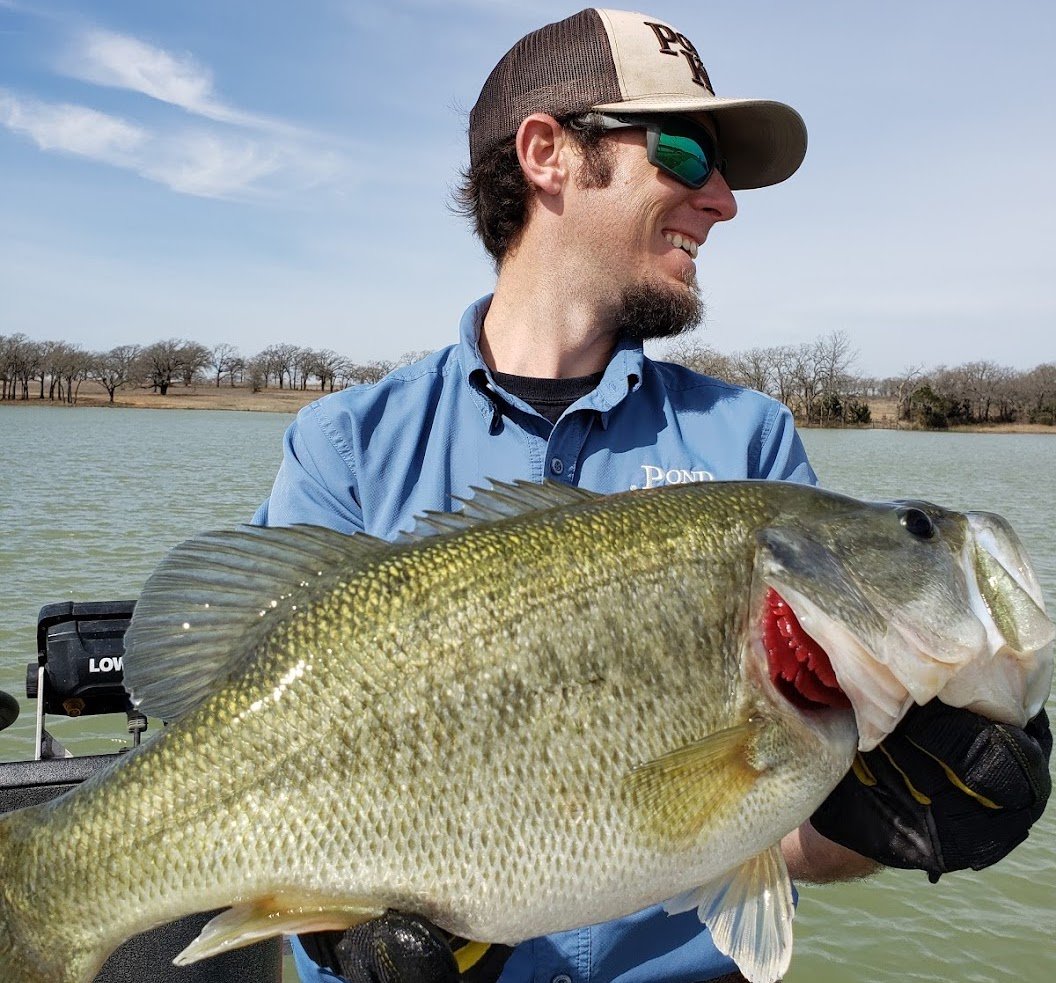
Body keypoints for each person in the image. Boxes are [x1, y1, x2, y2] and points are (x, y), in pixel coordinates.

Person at [255, 9, 1051, 982]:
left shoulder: (750, 449)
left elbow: (778, 836)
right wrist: (343, 937)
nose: (722, 201)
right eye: (685, 152)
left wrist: (881, 822)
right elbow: (249, 766)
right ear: (547, 153)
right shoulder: (346, 445)